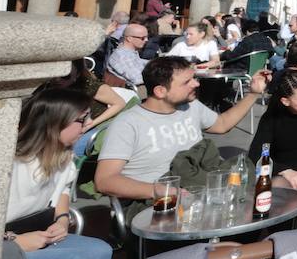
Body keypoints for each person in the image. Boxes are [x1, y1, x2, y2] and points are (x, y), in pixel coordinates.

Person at [0, 89, 113, 259]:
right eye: (82, 118)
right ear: (55, 123)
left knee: (101, 251)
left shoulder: (62, 155)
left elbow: (61, 189)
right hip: (8, 244)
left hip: (36, 232)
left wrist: (62, 219)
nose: (89, 123)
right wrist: (17, 240)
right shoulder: (10, 162)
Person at [95, 57, 268, 206]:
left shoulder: (190, 106)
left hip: (200, 191)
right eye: (187, 82)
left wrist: (253, 93)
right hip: (157, 203)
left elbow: (222, 124)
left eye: (193, 78)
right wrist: (161, 191)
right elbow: (105, 181)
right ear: (160, 91)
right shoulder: (127, 123)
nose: (197, 83)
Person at [39, 58, 126, 157]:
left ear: (77, 73)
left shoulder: (90, 86)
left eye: (64, 76)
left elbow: (119, 103)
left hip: (92, 127)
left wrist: (92, 123)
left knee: (68, 152)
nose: (57, 79)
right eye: (53, 75)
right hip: (65, 127)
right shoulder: (48, 87)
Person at [105, 23, 150, 87]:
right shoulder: (121, 56)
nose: (146, 40)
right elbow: (137, 79)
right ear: (129, 38)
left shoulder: (130, 52)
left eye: (147, 37)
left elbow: (139, 62)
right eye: (142, 38)